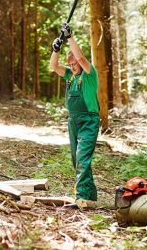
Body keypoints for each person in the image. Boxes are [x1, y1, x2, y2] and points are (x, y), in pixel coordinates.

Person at [49, 22, 100, 208]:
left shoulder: (88, 73)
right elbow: (53, 66)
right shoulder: (70, 75)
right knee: (76, 159)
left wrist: (69, 37)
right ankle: (90, 197)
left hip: (89, 121)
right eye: (70, 64)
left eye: (74, 64)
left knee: (82, 158)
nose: (73, 66)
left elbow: (82, 57)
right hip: (74, 121)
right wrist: (56, 48)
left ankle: (81, 199)